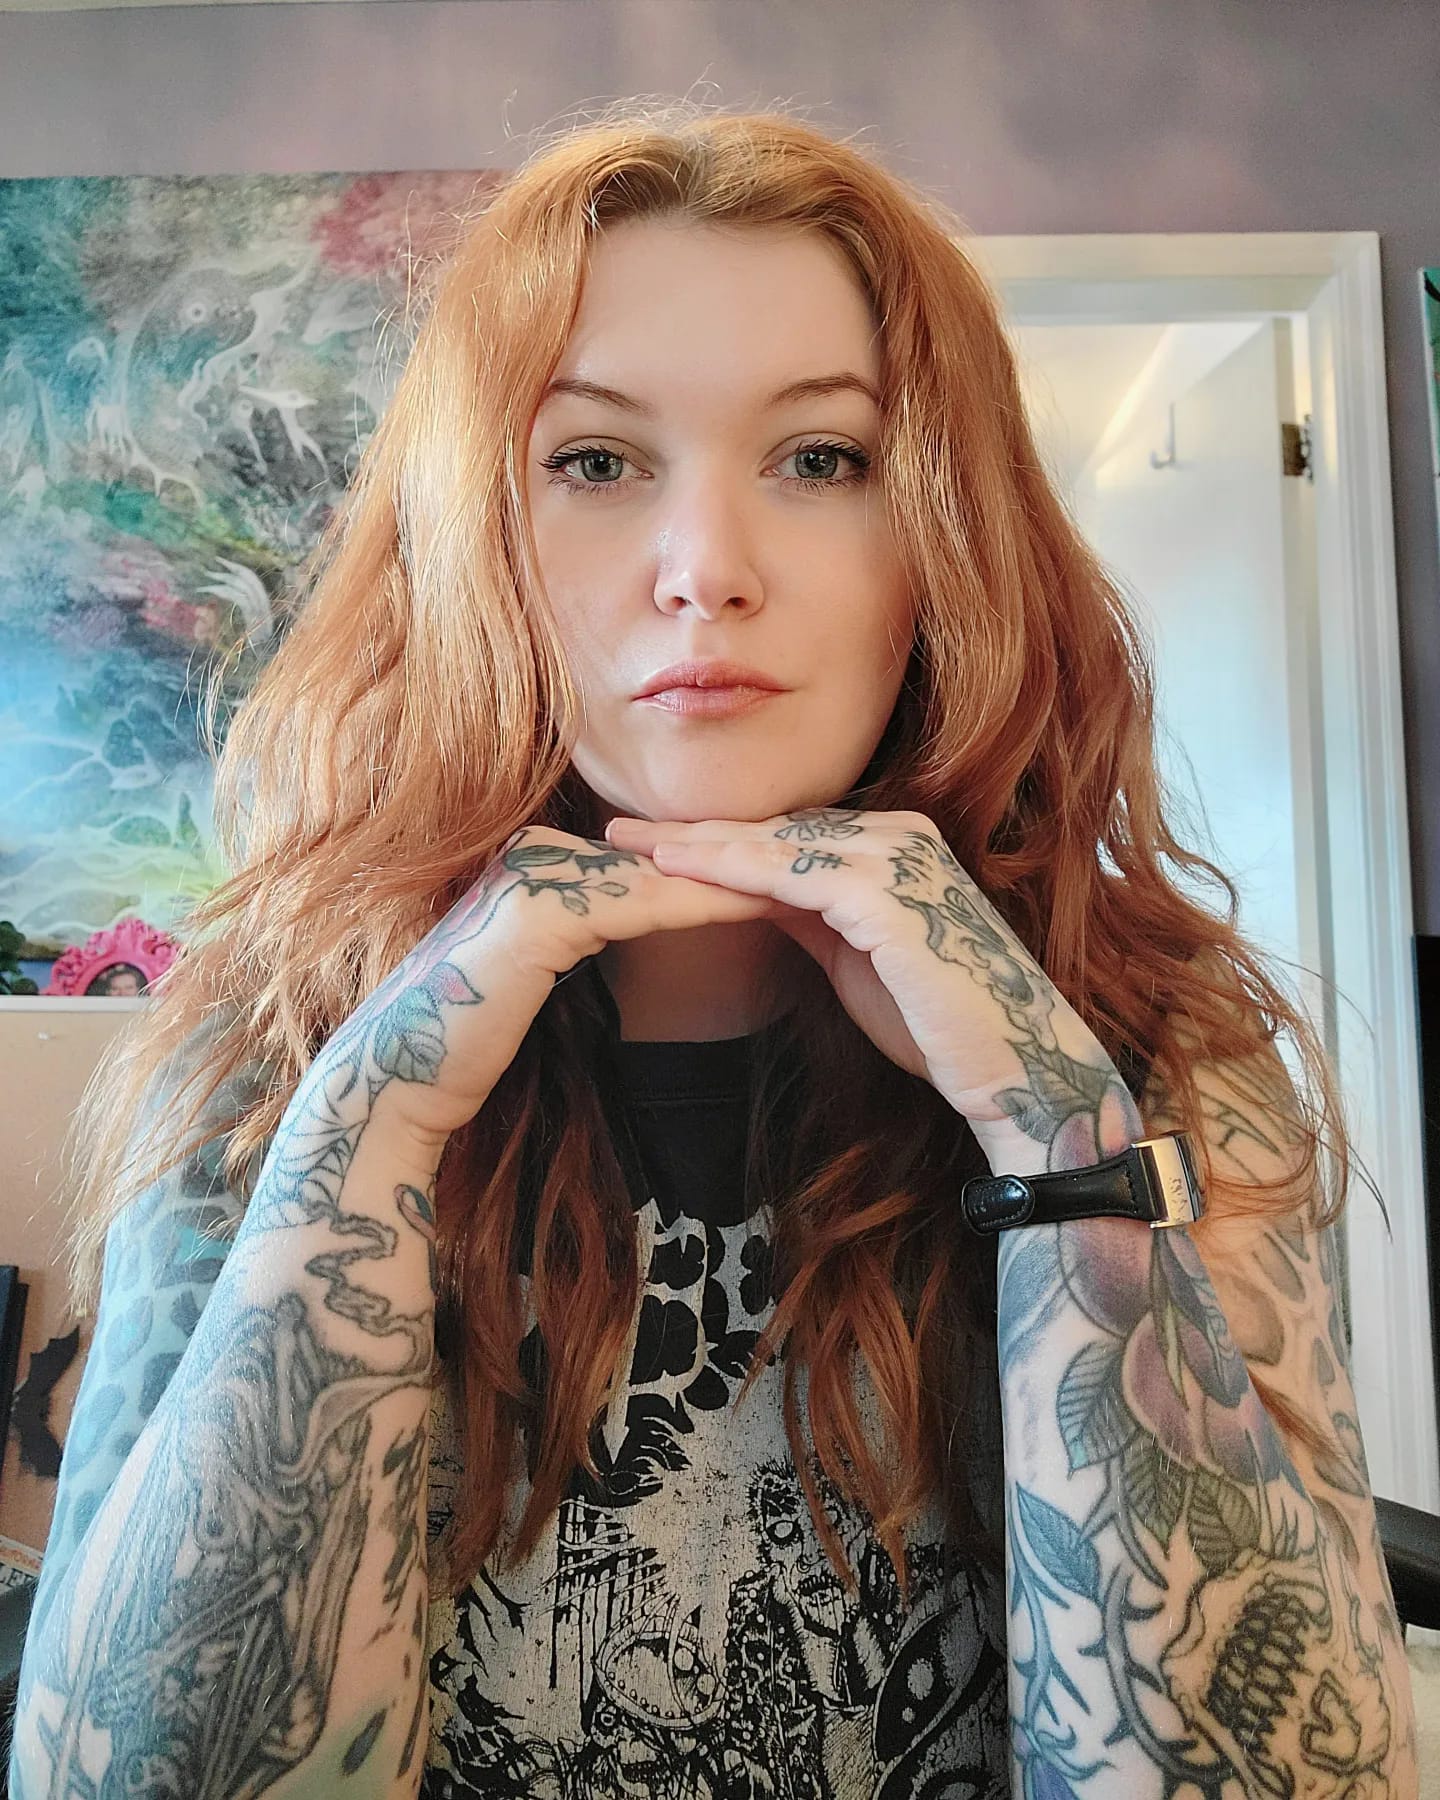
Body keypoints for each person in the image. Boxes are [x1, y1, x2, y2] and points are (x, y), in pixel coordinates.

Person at [9, 101, 1417, 1799]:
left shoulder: (1159, 1048)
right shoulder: (270, 1053)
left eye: (822, 460)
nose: (707, 573)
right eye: (596, 463)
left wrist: (1060, 1144)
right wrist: (366, 1131)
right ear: (476, 540)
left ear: (944, 538)